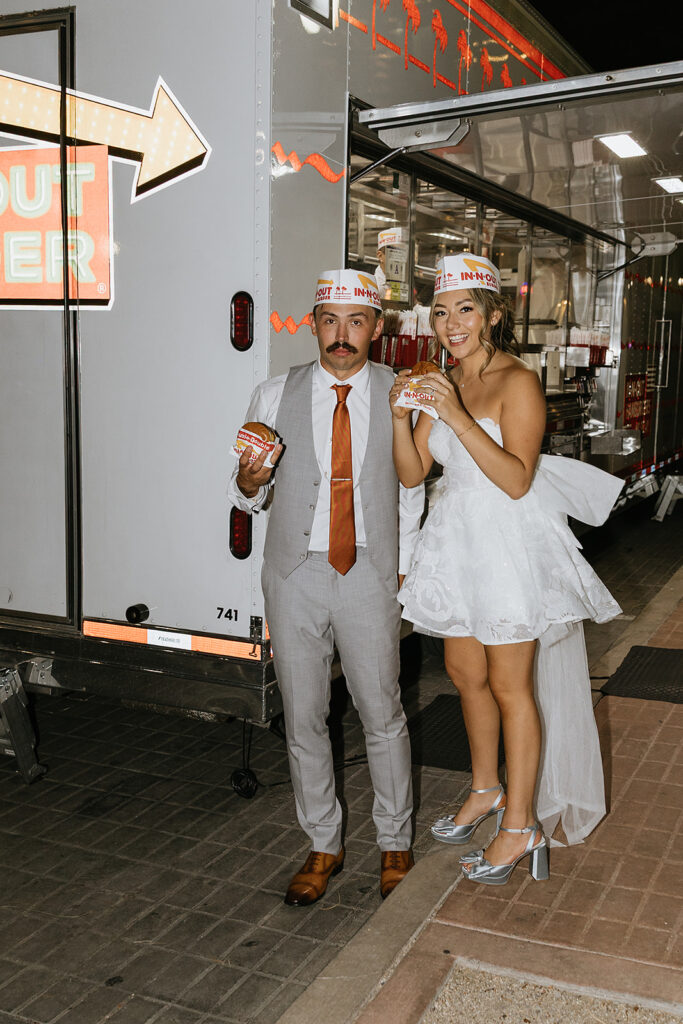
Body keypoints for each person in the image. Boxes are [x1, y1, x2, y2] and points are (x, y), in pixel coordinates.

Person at [390, 252, 623, 886]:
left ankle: (522, 825)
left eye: (465, 309)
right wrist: (402, 412)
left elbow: (518, 481)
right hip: (454, 542)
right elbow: (414, 473)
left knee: (510, 686)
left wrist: (457, 418)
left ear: (494, 314)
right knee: (466, 676)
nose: (450, 322)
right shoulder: (444, 378)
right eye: (440, 312)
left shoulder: (517, 382)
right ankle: (487, 788)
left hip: (504, 544)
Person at [228, 269, 423, 905]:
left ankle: (394, 840)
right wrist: (252, 482)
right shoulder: (273, 392)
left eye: (356, 321)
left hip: (369, 569)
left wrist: (405, 568)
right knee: (304, 717)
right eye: (330, 321)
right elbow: (243, 490)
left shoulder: (401, 392)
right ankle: (324, 844)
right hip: (293, 573)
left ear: (377, 327)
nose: (342, 336)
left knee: (381, 711)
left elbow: (413, 489)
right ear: (314, 323)